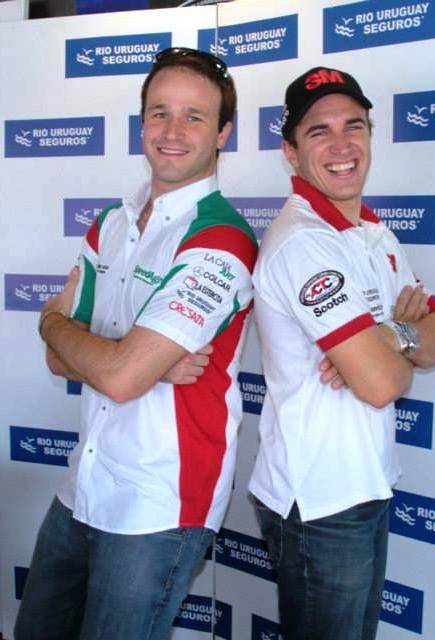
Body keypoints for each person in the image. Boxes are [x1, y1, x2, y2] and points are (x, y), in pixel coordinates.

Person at [15, 48, 257, 640]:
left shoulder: (222, 238)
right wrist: (131, 358)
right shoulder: (110, 223)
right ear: (141, 122)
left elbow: (118, 376)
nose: (172, 131)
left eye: (194, 116)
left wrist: (56, 325)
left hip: (159, 504)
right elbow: (62, 361)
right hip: (83, 484)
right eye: (159, 113)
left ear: (222, 133)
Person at [249, 66, 435, 640]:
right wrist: (396, 345)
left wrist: (388, 338)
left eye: (354, 126)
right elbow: (382, 384)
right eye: (319, 131)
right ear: (291, 152)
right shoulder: (303, 241)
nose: (342, 145)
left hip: (366, 483)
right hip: (320, 500)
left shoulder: (374, 233)